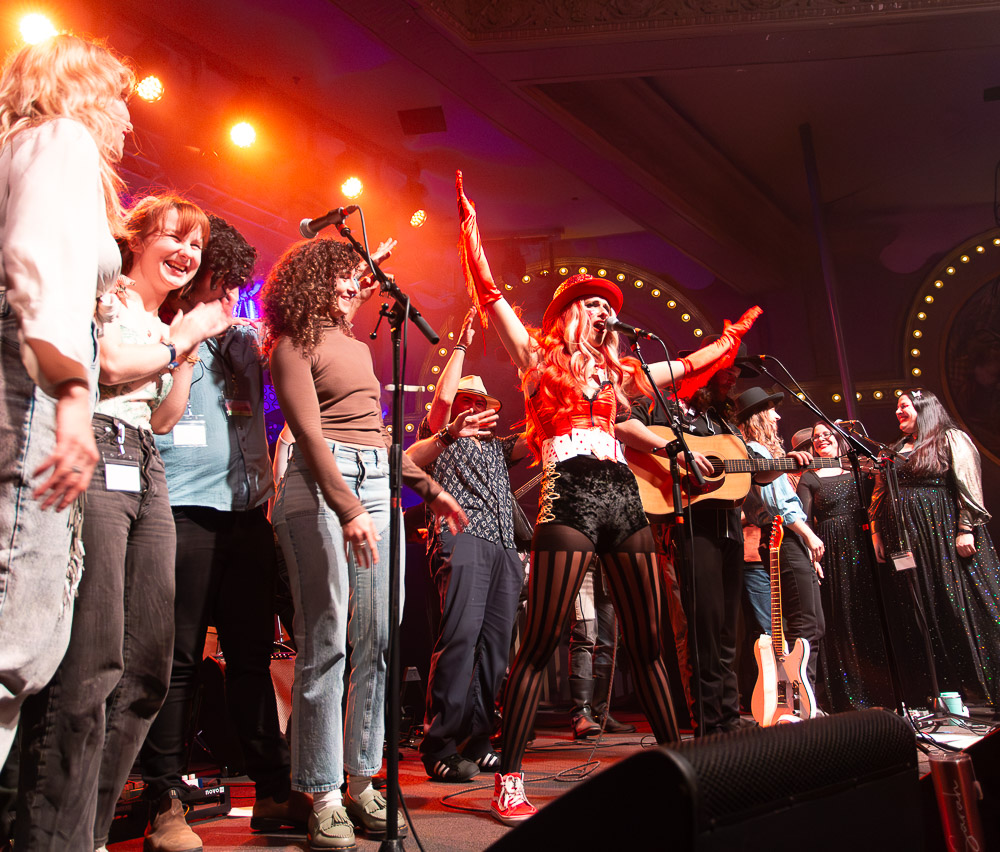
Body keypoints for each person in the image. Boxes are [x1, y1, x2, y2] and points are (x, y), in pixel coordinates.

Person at [455, 171, 759, 823]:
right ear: (565, 314)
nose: (601, 311)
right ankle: (510, 776)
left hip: (619, 494)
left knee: (650, 640)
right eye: (589, 303)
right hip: (567, 490)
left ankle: (683, 772)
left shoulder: (618, 372)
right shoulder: (535, 356)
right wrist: (470, 233)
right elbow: (489, 292)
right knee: (542, 640)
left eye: (605, 304)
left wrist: (727, 342)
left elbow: (679, 371)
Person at [16, 194, 234, 852]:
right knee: (93, 665)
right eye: (175, 237)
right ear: (135, 240)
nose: (188, 254)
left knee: (146, 669)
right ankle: (54, 836)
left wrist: (183, 351)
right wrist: (185, 337)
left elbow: (165, 420)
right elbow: (108, 365)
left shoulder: (163, 322)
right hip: (102, 449)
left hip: (146, 461)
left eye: (195, 245)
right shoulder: (106, 294)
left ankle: (89, 828)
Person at [262, 237, 467, 850]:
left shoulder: (357, 344)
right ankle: (321, 791)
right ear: (312, 282)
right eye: (344, 278)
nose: (357, 287)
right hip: (317, 481)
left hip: (374, 478)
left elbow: (375, 437)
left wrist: (428, 487)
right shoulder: (292, 344)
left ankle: (361, 781)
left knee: (378, 637)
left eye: (360, 279)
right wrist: (348, 506)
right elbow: (310, 433)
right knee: (325, 637)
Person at [136, 214, 310, 852]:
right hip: (181, 511)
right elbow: (152, 421)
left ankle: (270, 788)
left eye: (233, 289)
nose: (225, 301)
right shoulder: (157, 332)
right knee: (178, 662)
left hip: (245, 516)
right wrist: (185, 342)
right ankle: (165, 802)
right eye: (216, 287)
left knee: (250, 658)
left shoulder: (245, 344)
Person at [0, 33, 133, 766]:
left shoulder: (17, 145)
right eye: (113, 92)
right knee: (16, 630)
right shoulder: (60, 139)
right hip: (28, 385)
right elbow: (40, 267)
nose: (123, 112)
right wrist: (75, 391)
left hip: (28, 371)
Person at [405, 309, 529, 782]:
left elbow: (539, 435)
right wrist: (460, 343)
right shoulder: (444, 438)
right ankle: (439, 743)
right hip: (463, 540)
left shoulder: (498, 446)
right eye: (467, 400)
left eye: (481, 401)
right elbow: (439, 400)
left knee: (496, 648)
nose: (475, 406)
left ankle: (478, 739)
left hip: (502, 548)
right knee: (460, 640)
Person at [870, 389, 1000, 712]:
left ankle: (988, 687)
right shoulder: (896, 449)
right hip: (909, 545)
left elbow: (969, 484)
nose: (897, 412)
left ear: (923, 407)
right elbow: (879, 492)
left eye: (903, 406)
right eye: (896, 408)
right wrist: (876, 532)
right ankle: (948, 691)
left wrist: (965, 528)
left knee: (959, 607)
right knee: (925, 614)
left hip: (943, 538)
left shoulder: (950, 439)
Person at [797, 420, 893, 712]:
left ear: (839, 439)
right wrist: (812, 559)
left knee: (868, 615)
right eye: (816, 437)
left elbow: (877, 502)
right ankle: (848, 695)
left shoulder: (855, 471)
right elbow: (802, 520)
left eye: (826, 434)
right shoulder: (809, 478)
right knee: (841, 620)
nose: (821, 439)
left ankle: (881, 692)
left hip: (860, 547)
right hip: (831, 550)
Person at [737, 388, 825, 697]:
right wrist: (808, 535)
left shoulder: (761, 452)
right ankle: (798, 701)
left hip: (784, 540)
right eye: (772, 411)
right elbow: (779, 506)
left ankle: (799, 698)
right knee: (805, 626)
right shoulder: (756, 452)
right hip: (782, 538)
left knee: (810, 624)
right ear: (759, 417)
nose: (778, 416)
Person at [567, 557, 636, 737]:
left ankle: (601, 712)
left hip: (607, 568)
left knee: (609, 643)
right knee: (584, 636)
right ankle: (581, 713)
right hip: (582, 563)